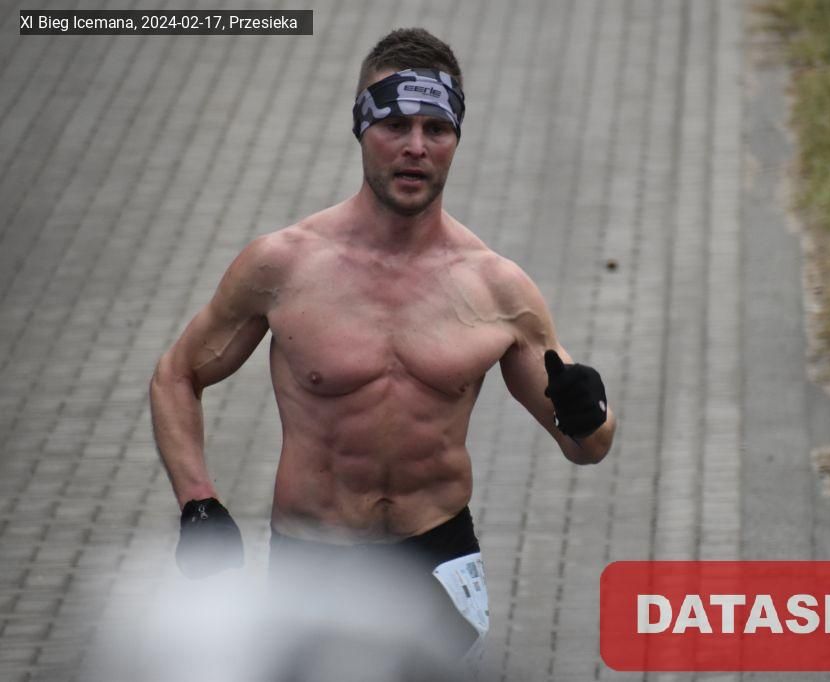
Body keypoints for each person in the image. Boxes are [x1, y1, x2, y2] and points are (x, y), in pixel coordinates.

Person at [148, 27, 615, 662]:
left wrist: (590, 413)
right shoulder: (284, 266)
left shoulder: (497, 288)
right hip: (313, 560)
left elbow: (587, 446)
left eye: (436, 128)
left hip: (438, 558)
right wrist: (197, 501)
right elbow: (177, 375)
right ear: (361, 128)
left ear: (456, 139)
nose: (415, 147)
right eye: (395, 125)